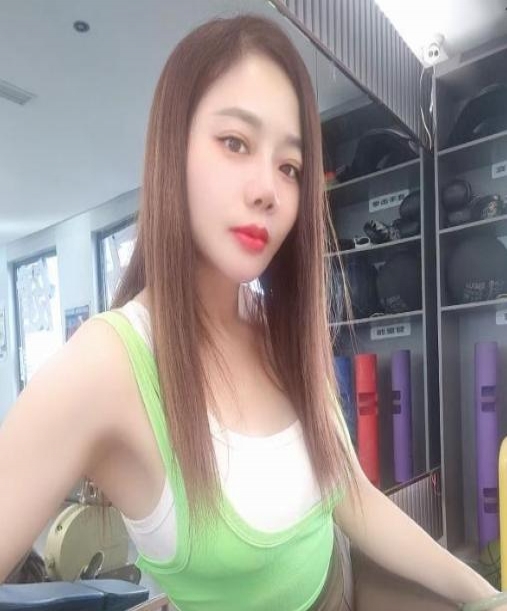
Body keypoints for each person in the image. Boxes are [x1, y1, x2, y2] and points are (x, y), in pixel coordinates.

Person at [0, 13, 505, 611]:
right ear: (171, 150)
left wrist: (482, 594)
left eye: (289, 166)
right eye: (235, 143)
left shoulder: (280, 331)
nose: (269, 189)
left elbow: (352, 497)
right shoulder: (105, 366)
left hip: (347, 585)